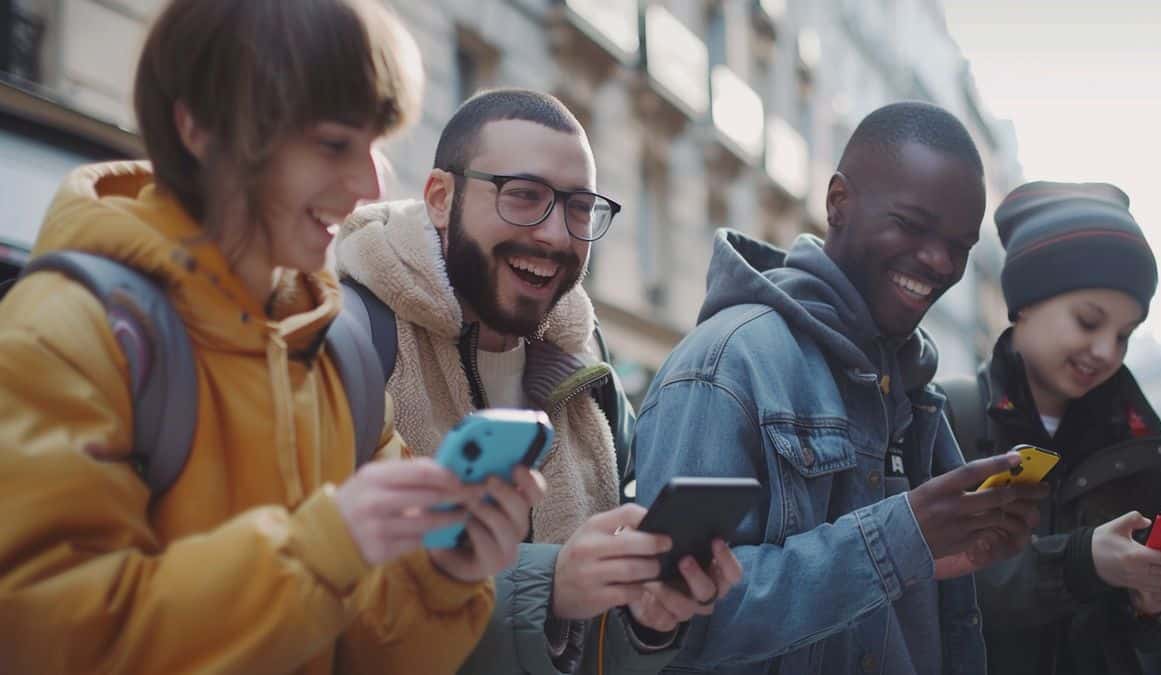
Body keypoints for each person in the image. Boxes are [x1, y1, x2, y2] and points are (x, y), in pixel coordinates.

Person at [0, 1, 545, 673]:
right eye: (332, 143)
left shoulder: (337, 350)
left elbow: (374, 655)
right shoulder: (66, 332)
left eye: (376, 144)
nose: (371, 185)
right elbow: (44, 638)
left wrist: (443, 573)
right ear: (200, 125)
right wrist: (319, 550)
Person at [334, 88, 741, 674]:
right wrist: (548, 586)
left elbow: (595, 650)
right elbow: (327, 604)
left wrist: (648, 622)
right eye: (523, 197)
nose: (555, 234)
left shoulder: (589, 368)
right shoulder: (352, 339)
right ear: (441, 199)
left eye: (579, 208)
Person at [632, 101, 1049, 674]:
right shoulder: (727, 364)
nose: (938, 262)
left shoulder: (915, 392)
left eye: (960, 247)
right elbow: (676, 623)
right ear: (838, 203)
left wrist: (942, 556)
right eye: (911, 224)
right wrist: (899, 539)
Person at [937, 181, 1161, 675]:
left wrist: (1157, 602)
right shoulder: (949, 416)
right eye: (1088, 321)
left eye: (1125, 335)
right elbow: (920, 586)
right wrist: (1082, 562)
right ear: (1024, 305)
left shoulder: (1144, 443)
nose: (1106, 351)